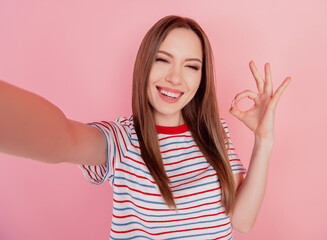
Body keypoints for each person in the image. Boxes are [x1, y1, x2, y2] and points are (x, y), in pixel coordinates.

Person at [0, 15, 290, 239]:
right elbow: (61, 137)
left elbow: (242, 221)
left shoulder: (215, 134)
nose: (176, 78)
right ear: (144, 64)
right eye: (163, 59)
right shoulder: (121, 139)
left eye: (191, 66)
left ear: (202, 78)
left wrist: (264, 140)